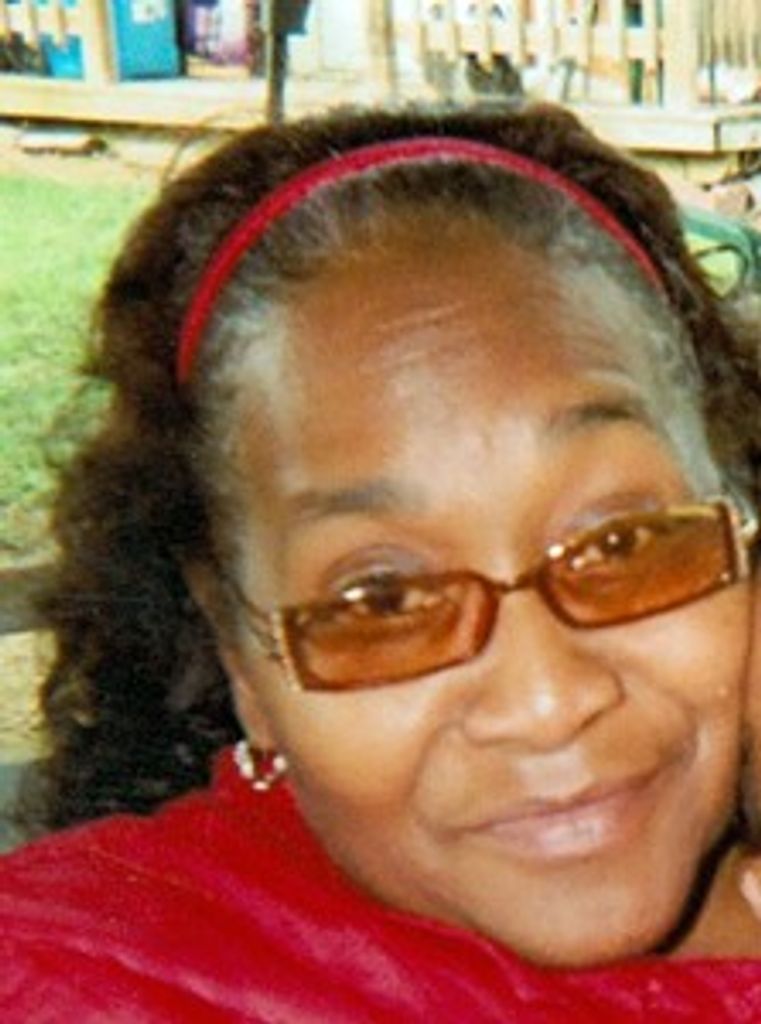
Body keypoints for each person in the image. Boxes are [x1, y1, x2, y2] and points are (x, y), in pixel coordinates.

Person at [3, 102, 761, 1020]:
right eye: (383, 602)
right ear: (243, 659)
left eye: (620, 545)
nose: (545, 701)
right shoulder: (94, 981)